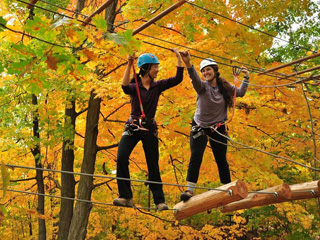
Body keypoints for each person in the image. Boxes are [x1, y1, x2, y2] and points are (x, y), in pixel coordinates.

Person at [113, 49, 184, 210]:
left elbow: (178, 78)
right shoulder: (134, 86)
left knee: (153, 164)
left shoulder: (157, 86)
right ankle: (126, 196)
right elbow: (124, 86)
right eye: (155, 67)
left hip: (149, 128)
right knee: (121, 158)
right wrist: (129, 64)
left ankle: (159, 201)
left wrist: (179, 59)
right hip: (133, 127)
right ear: (146, 68)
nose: (158, 70)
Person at [179, 51, 250, 201]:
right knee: (196, 155)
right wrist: (188, 63)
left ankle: (227, 189)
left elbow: (241, 93)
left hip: (218, 127)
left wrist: (246, 77)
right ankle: (190, 190)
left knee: (221, 158)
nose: (206, 73)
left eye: (208, 69)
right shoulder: (202, 87)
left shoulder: (225, 87)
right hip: (200, 126)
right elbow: (193, 77)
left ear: (215, 70)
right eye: (204, 71)